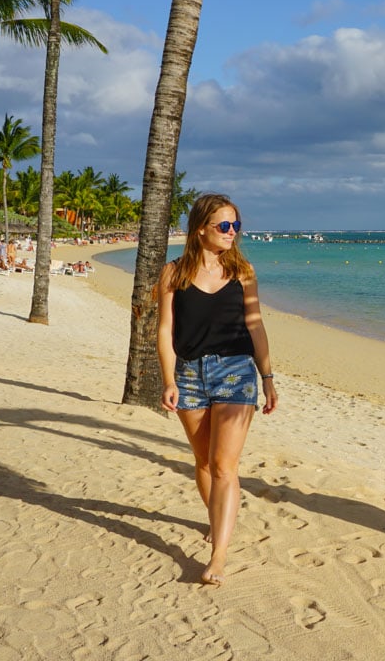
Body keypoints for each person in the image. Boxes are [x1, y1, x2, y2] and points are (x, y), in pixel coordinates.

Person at [157, 193, 277, 585]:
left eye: (236, 225)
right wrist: (169, 380)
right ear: (201, 228)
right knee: (204, 463)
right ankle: (218, 518)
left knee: (225, 465)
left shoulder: (242, 271)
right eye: (224, 226)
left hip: (236, 373)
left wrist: (268, 378)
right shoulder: (173, 273)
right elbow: (165, 331)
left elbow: (256, 325)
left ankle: (219, 555)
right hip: (190, 374)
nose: (232, 232)